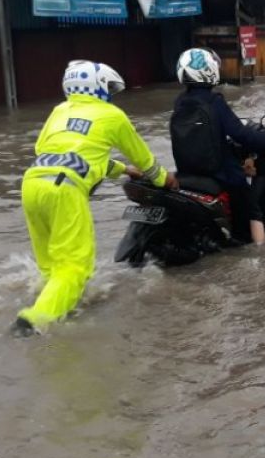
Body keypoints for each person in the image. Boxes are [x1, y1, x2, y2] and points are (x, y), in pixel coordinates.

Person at [13, 60, 176, 336]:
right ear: (97, 86)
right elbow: (143, 158)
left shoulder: (59, 111)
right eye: (109, 87)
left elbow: (56, 151)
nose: (111, 93)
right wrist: (163, 179)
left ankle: (56, 302)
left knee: (51, 264)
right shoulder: (112, 115)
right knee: (75, 266)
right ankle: (32, 322)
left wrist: (123, 170)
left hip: (32, 184)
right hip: (65, 189)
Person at [170, 47, 265, 245]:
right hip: (218, 172)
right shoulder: (213, 101)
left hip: (186, 172)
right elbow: (240, 134)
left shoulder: (180, 102)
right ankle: (262, 257)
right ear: (210, 70)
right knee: (252, 209)